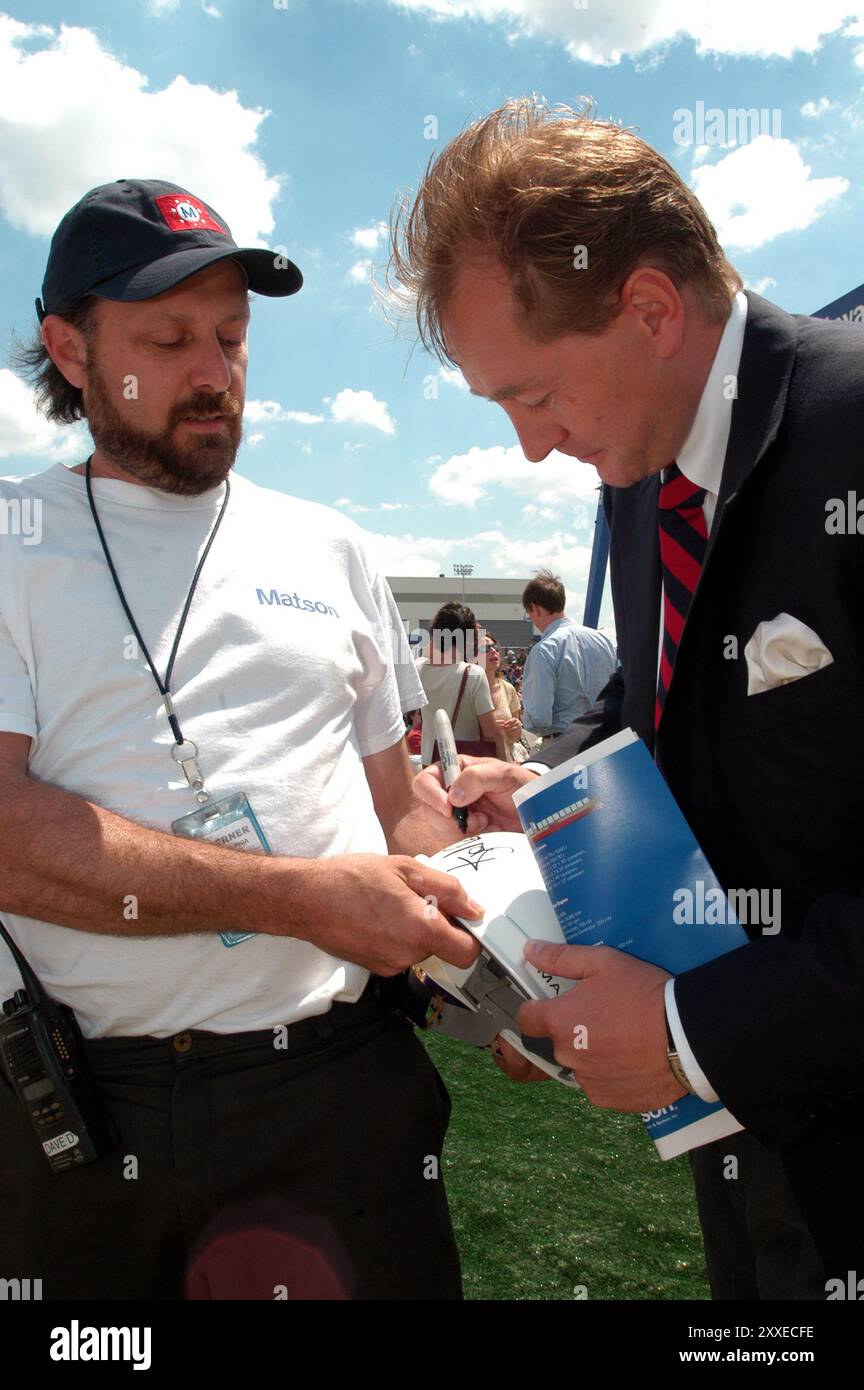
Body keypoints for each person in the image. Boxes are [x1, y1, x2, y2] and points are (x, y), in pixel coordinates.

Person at [391, 97, 864, 1298]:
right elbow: (687, 719)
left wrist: (692, 1031)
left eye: (534, 395)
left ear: (651, 309)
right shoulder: (639, 473)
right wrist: (544, 780)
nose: (529, 448)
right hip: (745, 1157)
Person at [0, 178, 484, 1301]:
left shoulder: (333, 546)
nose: (213, 370)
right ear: (70, 352)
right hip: (89, 1107)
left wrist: (500, 964)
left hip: (336, 1088)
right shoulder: (14, 538)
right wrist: (299, 896)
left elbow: (398, 801)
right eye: (167, 339)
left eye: (230, 336)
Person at [520, 570, 617, 744]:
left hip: (565, 744)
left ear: (534, 608)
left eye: (529, 614)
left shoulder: (544, 650)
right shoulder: (605, 641)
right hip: (608, 739)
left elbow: (540, 718)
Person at [415, 602, 505, 765]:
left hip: (430, 762)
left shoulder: (419, 669)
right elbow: (492, 733)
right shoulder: (473, 674)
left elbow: (430, 650)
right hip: (466, 763)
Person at [479, 630, 527, 762]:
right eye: (486, 648)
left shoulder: (508, 688)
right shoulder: (467, 690)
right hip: (478, 764)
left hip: (506, 764)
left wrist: (515, 729)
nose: (493, 651)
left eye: (495, 647)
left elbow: (515, 738)